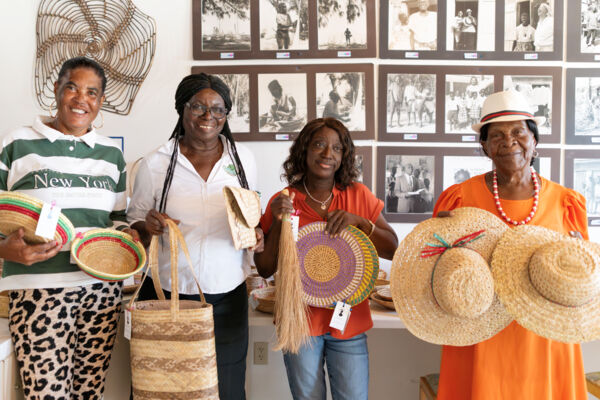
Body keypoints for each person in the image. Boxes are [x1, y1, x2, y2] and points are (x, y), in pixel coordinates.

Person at [433, 90, 589, 399]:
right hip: (480, 334)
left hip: (546, 335)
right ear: (485, 146)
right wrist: (442, 242)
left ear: (535, 141)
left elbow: (582, 272)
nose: (509, 141)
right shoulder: (460, 199)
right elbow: (434, 266)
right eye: (497, 135)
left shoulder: (565, 202)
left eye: (519, 131)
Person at [0, 56, 137, 399]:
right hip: (38, 289)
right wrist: (3, 249)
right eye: (72, 87)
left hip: (100, 291)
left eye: (92, 92)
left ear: (101, 102)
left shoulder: (111, 156)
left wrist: (127, 237)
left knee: (89, 392)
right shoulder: (17, 144)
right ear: (57, 91)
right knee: (45, 394)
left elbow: (116, 221)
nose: (81, 99)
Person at [127, 73, 264, 400]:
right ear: (181, 109)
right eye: (198, 107)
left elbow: (250, 215)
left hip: (228, 295)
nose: (208, 117)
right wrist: (148, 226)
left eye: (218, 110)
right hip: (168, 297)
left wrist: (255, 233)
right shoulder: (156, 163)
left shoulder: (242, 160)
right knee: (162, 387)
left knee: (227, 389)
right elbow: (134, 229)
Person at [254, 118, 398, 400]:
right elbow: (265, 268)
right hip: (299, 323)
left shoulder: (357, 196)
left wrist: (359, 222)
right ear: (304, 150)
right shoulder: (283, 200)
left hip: (349, 321)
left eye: (336, 148)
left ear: (344, 157)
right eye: (319, 144)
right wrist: (279, 221)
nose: (327, 154)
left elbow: (392, 248)